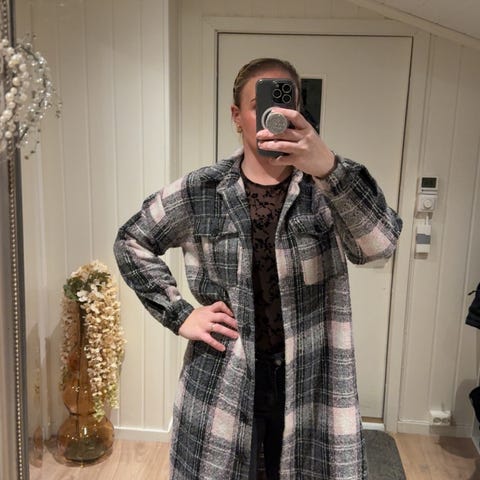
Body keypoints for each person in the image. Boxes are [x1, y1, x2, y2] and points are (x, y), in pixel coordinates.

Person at [114, 57, 402, 480]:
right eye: (260, 104)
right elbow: (132, 240)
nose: (275, 115)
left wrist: (329, 167)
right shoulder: (202, 190)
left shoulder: (326, 189)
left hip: (310, 379)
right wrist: (180, 314)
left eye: (288, 104)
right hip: (223, 378)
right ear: (237, 116)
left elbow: (379, 245)